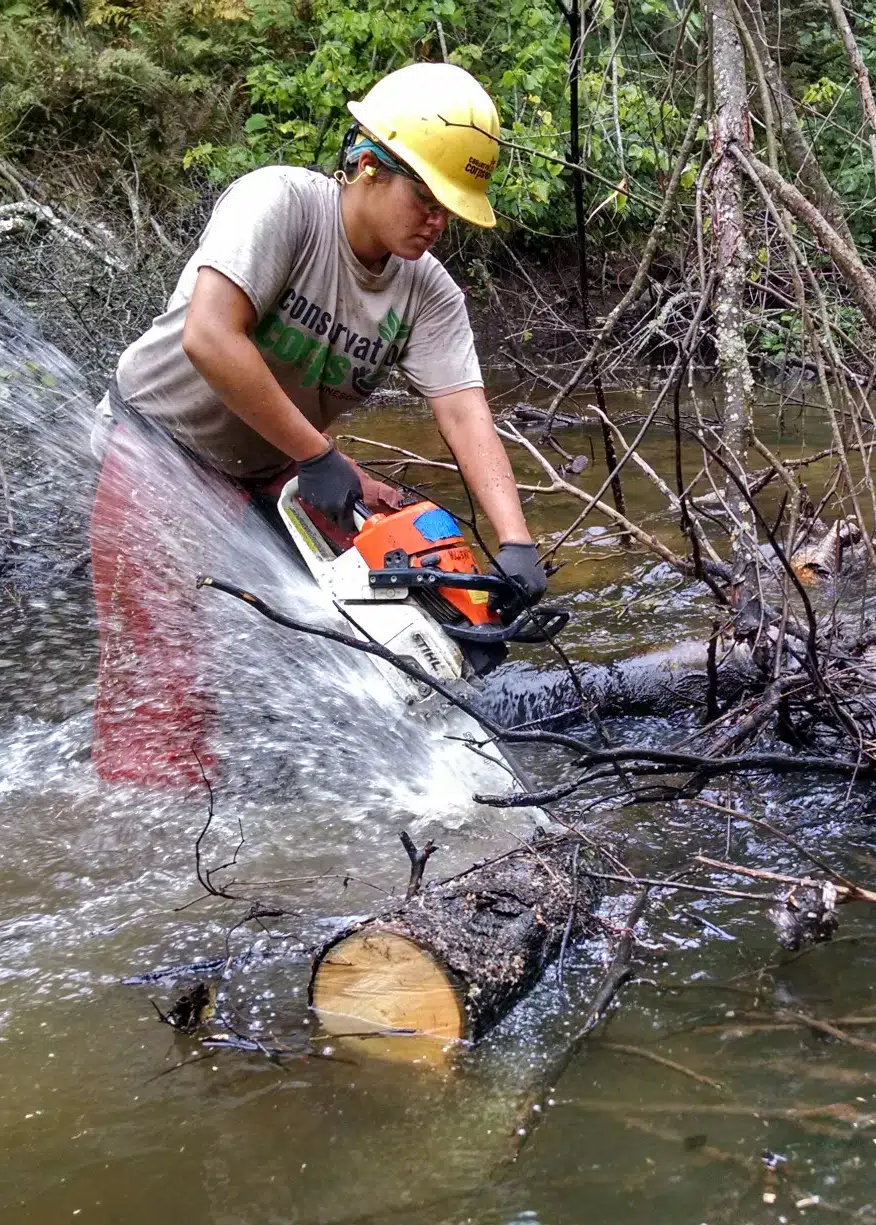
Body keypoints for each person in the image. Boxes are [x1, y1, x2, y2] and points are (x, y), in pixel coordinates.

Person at [88, 62, 544, 788]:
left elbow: (462, 409)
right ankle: (151, 817)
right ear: (368, 164)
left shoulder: (427, 291)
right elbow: (211, 337)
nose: (437, 221)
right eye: (426, 198)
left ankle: (391, 763)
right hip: (160, 447)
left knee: (409, 580)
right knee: (159, 669)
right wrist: (318, 454)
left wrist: (516, 544)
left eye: (449, 209)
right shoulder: (282, 207)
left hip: (282, 467)